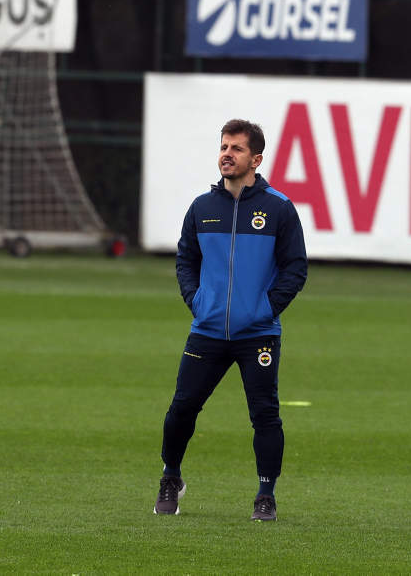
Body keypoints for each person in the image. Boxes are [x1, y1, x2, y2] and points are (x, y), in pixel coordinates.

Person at [154, 119, 307, 522]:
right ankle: (170, 477)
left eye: (237, 148)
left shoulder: (279, 208)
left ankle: (265, 495)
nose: (227, 154)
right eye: (224, 146)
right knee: (182, 408)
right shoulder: (201, 208)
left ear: (256, 159)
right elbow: (186, 260)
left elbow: (295, 268)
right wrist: (197, 301)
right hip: (206, 330)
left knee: (265, 415)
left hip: (257, 333)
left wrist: (264, 310)